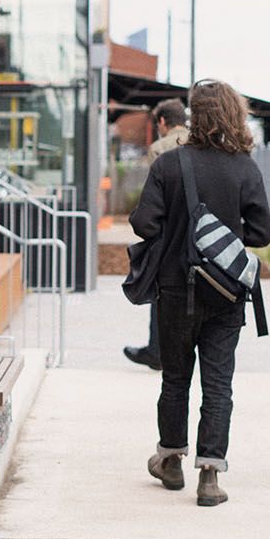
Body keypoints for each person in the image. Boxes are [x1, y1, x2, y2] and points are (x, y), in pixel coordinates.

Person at [131, 80, 270, 507]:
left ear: (194, 116)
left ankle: (170, 461)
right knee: (218, 384)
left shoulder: (169, 165)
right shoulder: (244, 167)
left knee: (175, 378)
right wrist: (226, 239)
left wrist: (180, 233)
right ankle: (210, 475)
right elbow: (262, 233)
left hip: (176, 289)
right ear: (234, 115)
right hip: (227, 294)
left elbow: (143, 223)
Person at [124, 98, 189, 371]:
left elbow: (155, 197)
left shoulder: (159, 149)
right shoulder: (202, 143)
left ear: (163, 122)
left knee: (160, 289)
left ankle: (156, 350)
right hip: (199, 229)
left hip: (168, 230)